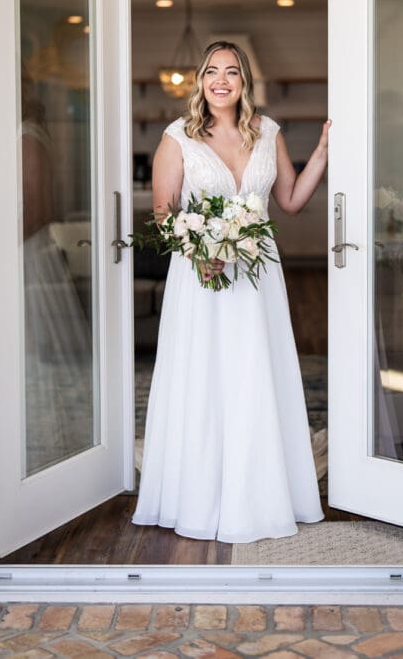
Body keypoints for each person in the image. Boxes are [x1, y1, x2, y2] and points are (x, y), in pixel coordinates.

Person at [131, 40, 331, 542]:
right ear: (200, 80)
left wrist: (324, 153)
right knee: (205, 377)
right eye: (212, 71)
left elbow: (288, 200)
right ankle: (200, 493)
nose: (221, 80)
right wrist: (202, 252)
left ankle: (259, 492)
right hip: (202, 278)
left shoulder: (269, 134)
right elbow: (163, 212)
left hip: (258, 279)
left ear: (245, 82)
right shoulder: (178, 137)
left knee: (255, 374)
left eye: (232, 72)